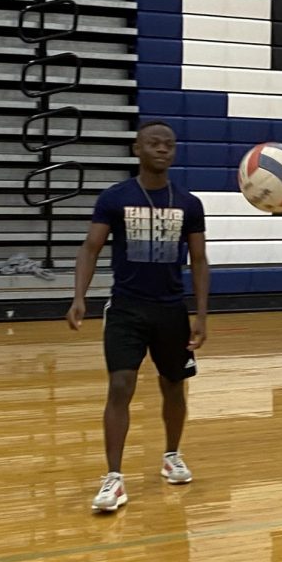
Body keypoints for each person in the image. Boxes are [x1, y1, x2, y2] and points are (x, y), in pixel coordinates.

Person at [66, 120, 210, 512]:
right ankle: (113, 478)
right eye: (153, 143)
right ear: (136, 150)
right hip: (127, 309)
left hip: (171, 311)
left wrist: (201, 315)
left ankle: (172, 455)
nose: (162, 148)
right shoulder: (114, 198)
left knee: (173, 386)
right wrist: (79, 296)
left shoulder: (189, 203)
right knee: (120, 386)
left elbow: (198, 260)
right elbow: (90, 249)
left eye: (169, 144)